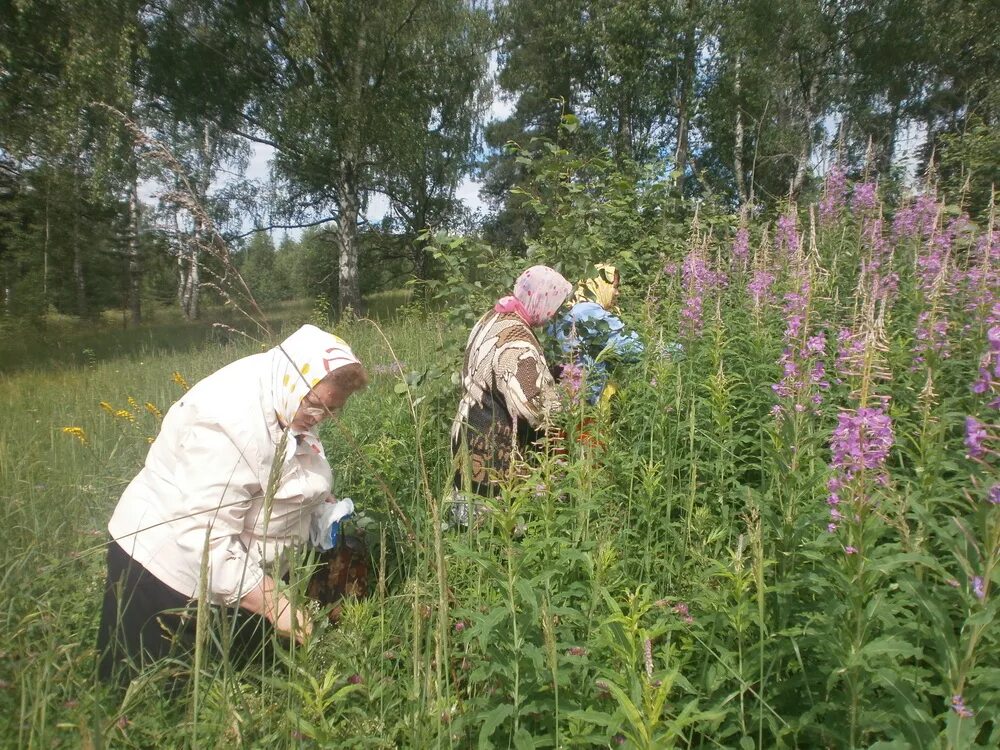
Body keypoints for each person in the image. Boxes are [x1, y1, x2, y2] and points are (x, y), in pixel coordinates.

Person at [97, 324, 367, 689]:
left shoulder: (287, 392)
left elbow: (279, 464)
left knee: (228, 680)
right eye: (317, 406)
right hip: (164, 574)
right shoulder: (228, 420)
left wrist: (316, 507)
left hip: (235, 573)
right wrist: (274, 604)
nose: (321, 418)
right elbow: (203, 537)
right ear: (295, 381)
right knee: (152, 696)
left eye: (333, 409)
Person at [449, 265, 573, 526]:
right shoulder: (518, 339)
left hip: (468, 427)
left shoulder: (493, 318)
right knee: (501, 530)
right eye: (554, 306)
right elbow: (535, 407)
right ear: (542, 299)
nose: (554, 314)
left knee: (469, 521)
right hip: (495, 443)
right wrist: (567, 407)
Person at [548, 263, 643, 407]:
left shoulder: (565, 310)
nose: (617, 293)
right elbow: (632, 348)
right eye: (615, 287)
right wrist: (680, 349)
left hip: (561, 398)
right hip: (582, 404)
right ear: (600, 285)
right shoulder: (589, 312)